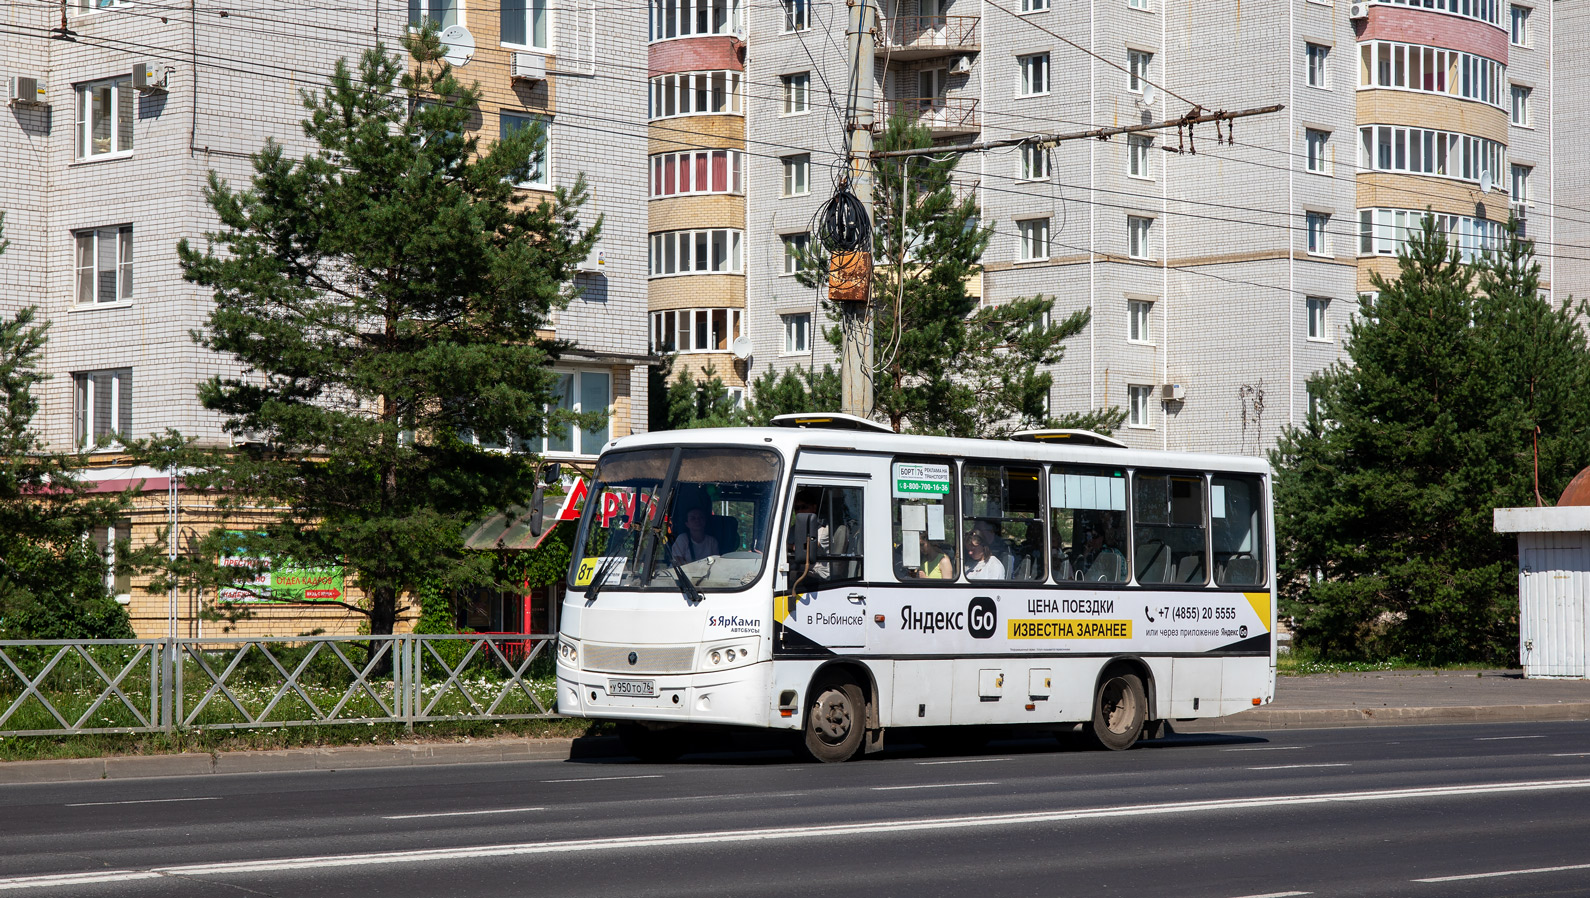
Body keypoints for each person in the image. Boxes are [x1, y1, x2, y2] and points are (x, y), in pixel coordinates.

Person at [1074, 513, 1125, 582]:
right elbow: (1080, 573)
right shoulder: (1090, 553)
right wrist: (1085, 556)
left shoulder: (1112, 553)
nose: (1091, 540)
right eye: (1090, 537)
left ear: (1102, 537)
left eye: (1095, 536)